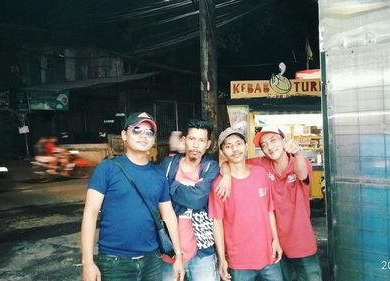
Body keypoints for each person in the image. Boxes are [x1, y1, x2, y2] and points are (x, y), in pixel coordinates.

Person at [81, 112, 185, 281]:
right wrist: (87, 262)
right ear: (124, 135)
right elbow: (90, 214)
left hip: (152, 260)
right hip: (115, 263)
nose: (144, 135)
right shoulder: (107, 169)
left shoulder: (158, 175)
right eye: (137, 130)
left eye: (149, 132)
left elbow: (168, 215)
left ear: (153, 140)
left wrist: (178, 255)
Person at [220, 126, 322, 281]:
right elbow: (234, 159)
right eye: (264, 145)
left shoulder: (300, 162)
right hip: (276, 246)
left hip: (302, 244)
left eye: (273, 140)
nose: (269, 146)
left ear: (284, 140)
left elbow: (302, 174)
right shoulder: (262, 165)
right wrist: (226, 175)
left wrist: (298, 153)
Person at [209, 127, 283, 281]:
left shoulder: (261, 173)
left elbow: (269, 210)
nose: (235, 149)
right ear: (222, 151)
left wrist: (276, 239)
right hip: (239, 261)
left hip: (268, 255)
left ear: (245, 146)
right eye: (228, 146)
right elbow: (217, 224)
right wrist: (222, 259)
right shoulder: (219, 185)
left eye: (238, 143)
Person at [160, 119, 220, 281]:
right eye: (192, 139)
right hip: (170, 250)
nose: (195, 145)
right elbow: (158, 197)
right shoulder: (168, 165)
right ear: (184, 140)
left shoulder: (210, 167)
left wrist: (172, 187)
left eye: (201, 141)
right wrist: (188, 191)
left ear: (208, 144)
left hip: (202, 252)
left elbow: (197, 200)